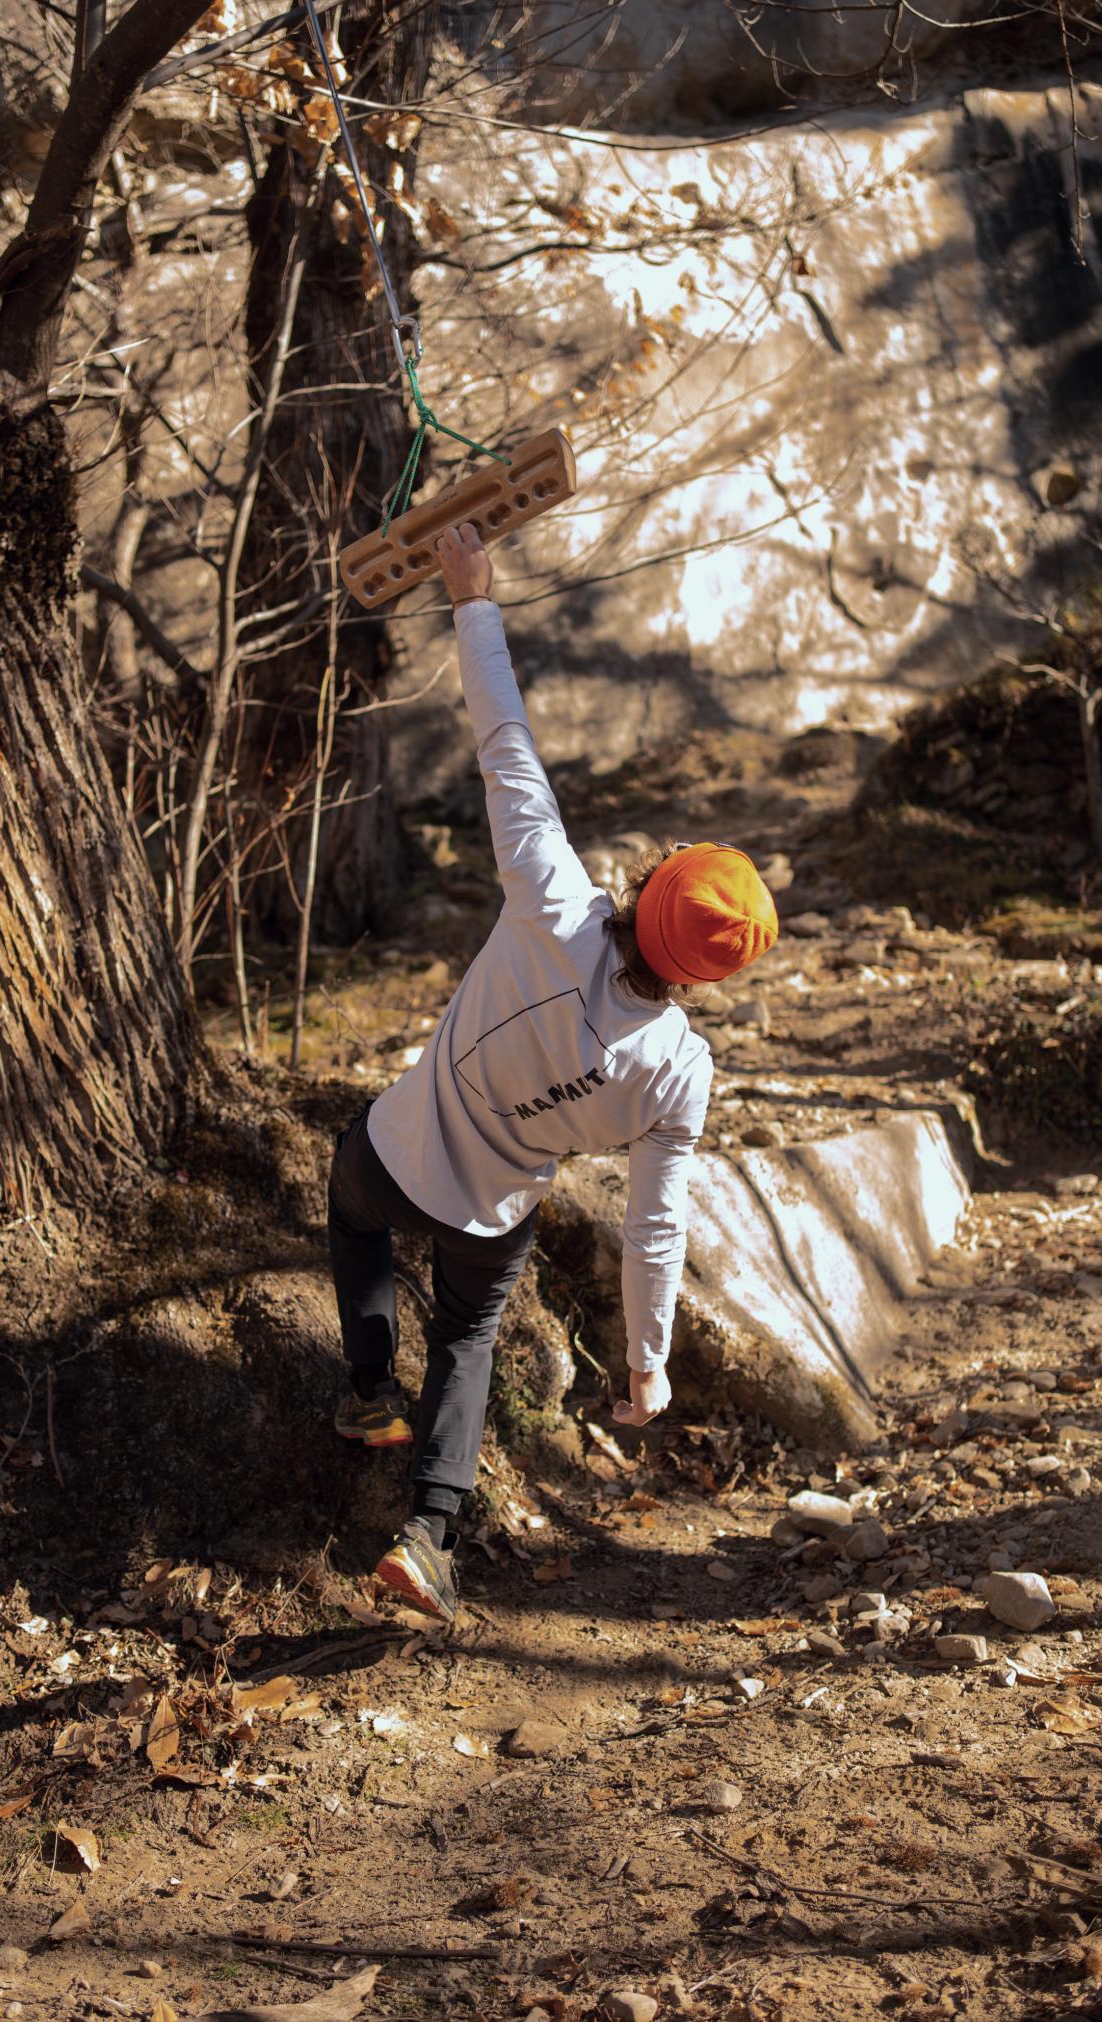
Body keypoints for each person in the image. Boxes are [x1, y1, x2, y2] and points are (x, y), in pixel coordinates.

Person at [328, 523, 778, 1622]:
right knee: (470, 1336)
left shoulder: (554, 904)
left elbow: (505, 741)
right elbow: (654, 1229)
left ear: (649, 885)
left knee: (352, 1210)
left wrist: (472, 596)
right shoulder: (679, 1073)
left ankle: (363, 1388)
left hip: (399, 1152)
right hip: (494, 1211)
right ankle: (429, 1534)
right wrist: (647, 1370)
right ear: (703, 976)